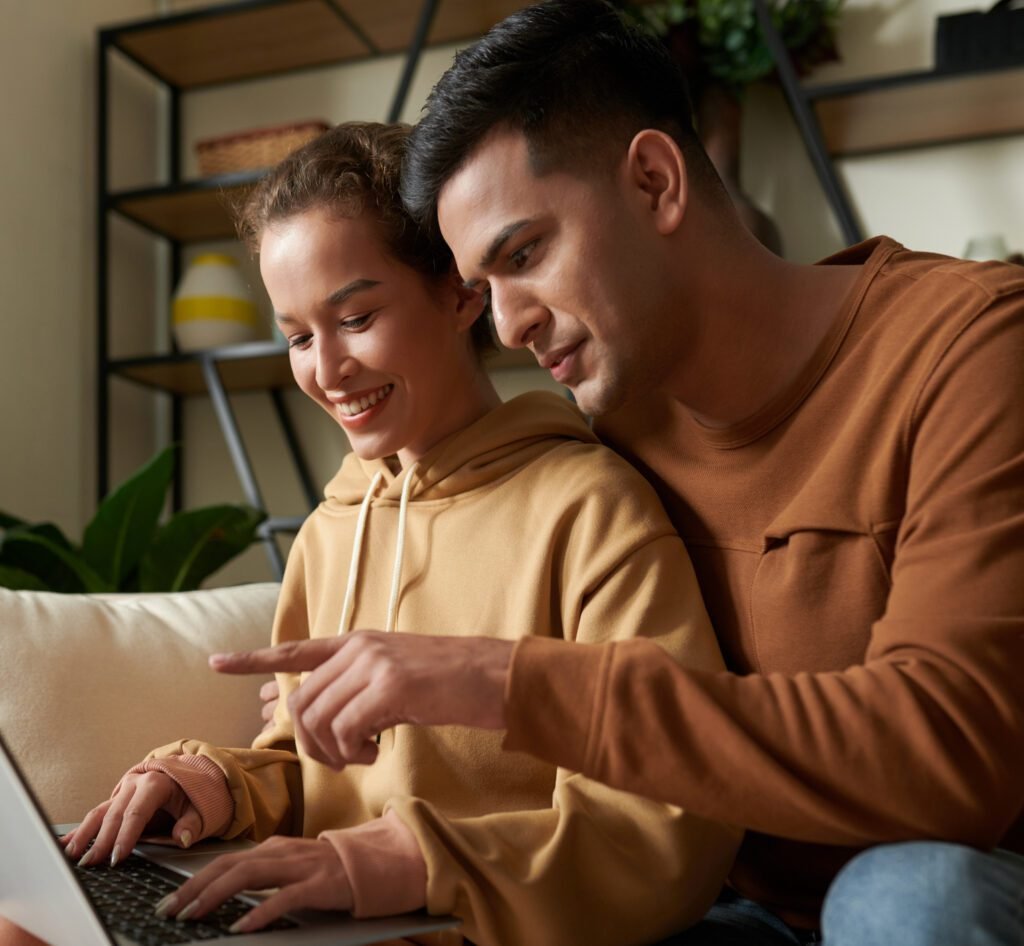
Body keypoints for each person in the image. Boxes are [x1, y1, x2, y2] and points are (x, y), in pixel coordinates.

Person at [213, 3, 1024, 944]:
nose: (508, 325)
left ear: (654, 180)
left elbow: (950, 759)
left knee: (902, 899)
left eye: (526, 255)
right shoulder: (615, 422)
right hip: (724, 909)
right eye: (488, 284)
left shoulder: (972, 348)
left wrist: (500, 682)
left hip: (943, 881)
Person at [58, 121, 739, 946]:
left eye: (357, 317)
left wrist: (413, 861)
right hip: (326, 923)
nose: (328, 370)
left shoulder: (590, 508)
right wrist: (219, 784)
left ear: (459, 292)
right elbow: (314, 771)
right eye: (300, 337)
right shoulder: (329, 528)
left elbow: (672, 817)